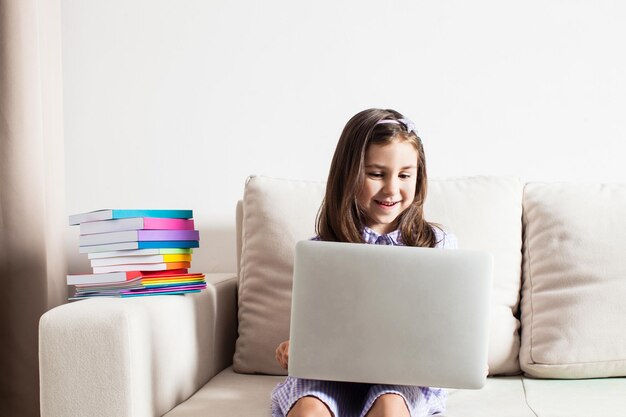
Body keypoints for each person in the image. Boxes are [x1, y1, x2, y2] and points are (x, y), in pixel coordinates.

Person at [271, 108, 458, 417]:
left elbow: (450, 328)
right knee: (308, 409)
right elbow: (317, 326)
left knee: (390, 406)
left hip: (403, 380)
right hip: (330, 376)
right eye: (376, 174)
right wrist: (296, 345)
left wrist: (464, 355)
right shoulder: (322, 250)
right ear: (349, 175)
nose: (392, 189)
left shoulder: (438, 245)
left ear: (418, 176)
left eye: (404, 175)